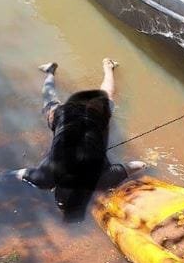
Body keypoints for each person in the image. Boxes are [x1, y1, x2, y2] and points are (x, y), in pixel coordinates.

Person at [17, 59, 145, 220]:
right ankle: (51, 71)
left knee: (106, 95)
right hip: (67, 117)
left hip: (92, 117)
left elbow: (139, 165)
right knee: (50, 102)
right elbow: (15, 174)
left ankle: (107, 68)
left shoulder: (102, 180)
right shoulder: (45, 176)